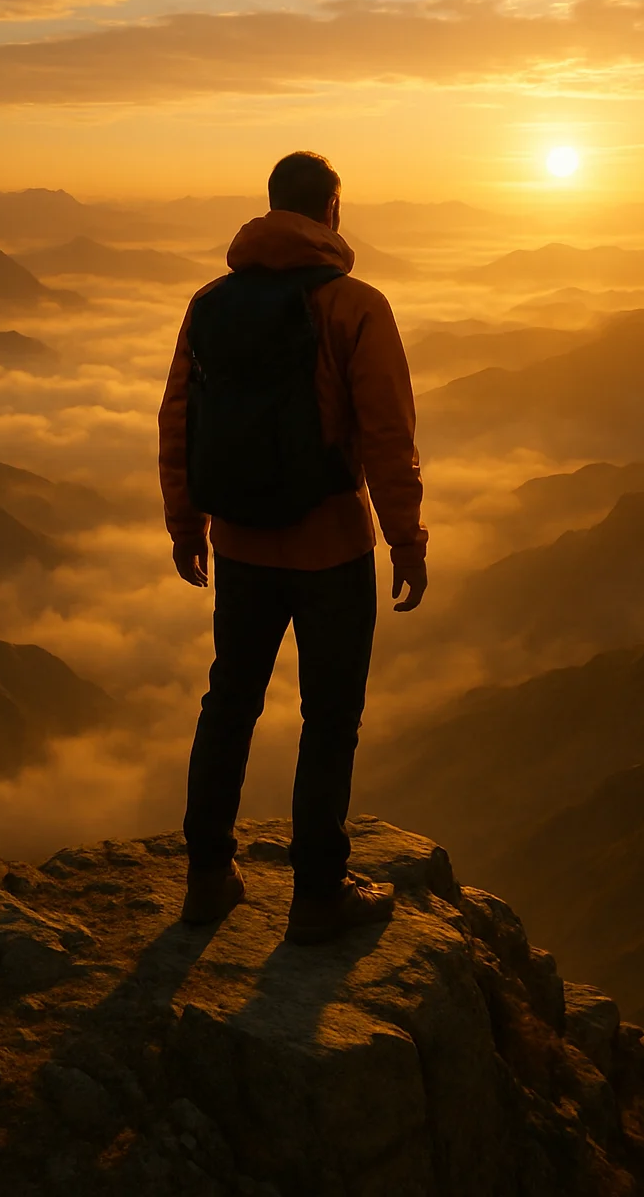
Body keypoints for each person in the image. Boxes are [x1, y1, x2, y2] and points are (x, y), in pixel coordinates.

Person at [158, 151, 427, 944]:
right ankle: (317, 896)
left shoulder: (211, 303)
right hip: (332, 548)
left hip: (241, 544)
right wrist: (406, 539)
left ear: (273, 206)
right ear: (332, 211)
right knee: (329, 719)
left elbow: (179, 419)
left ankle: (208, 878)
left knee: (229, 702)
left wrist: (186, 525)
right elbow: (388, 434)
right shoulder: (355, 306)